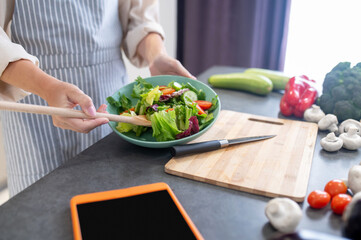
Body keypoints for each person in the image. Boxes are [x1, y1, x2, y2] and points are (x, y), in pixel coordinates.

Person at [0, 0, 195, 197]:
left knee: (116, 204)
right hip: (35, 96)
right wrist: (46, 86)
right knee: (40, 209)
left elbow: (139, 15)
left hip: (108, 95)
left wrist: (156, 55)